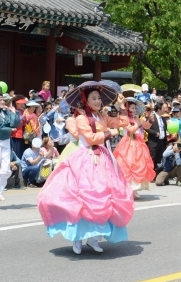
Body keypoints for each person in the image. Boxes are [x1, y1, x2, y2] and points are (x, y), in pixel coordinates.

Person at [37, 82, 133, 254]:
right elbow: (90, 139)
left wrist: (121, 106)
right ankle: (77, 238)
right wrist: (109, 133)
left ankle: (95, 238)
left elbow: (123, 122)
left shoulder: (102, 116)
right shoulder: (80, 118)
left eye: (99, 98)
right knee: (82, 198)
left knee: (103, 196)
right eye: (93, 98)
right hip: (85, 160)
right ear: (85, 101)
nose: (97, 101)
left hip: (102, 160)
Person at [113, 98, 155, 197]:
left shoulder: (137, 118)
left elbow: (145, 126)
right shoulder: (124, 118)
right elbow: (130, 129)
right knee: (127, 165)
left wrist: (150, 121)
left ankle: (135, 188)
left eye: (135, 108)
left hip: (138, 142)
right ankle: (128, 189)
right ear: (127, 108)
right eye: (132, 108)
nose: (134, 110)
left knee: (138, 164)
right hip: (127, 142)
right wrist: (139, 123)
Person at [145, 102, 168, 174]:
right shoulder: (152, 117)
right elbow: (146, 127)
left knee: (160, 158)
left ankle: (157, 174)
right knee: (152, 157)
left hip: (162, 141)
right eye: (164, 108)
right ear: (159, 109)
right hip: (154, 141)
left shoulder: (163, 118)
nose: (166, 109)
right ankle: (150, 174)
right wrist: (155, 133)